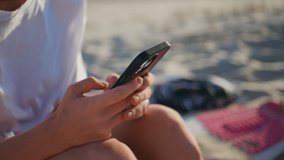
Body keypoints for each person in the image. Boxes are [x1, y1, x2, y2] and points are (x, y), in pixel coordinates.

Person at [0, 0, 202, 159]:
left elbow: (61, 92)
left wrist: (113, 103)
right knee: (107, 156)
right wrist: (57, 133)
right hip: (19, 147)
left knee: (165, 127)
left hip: (58, 128)